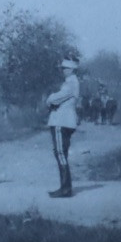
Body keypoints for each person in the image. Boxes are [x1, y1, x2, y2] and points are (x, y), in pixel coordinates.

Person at [46, 57, 81, 199]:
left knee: (60, 154)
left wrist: (49, 98)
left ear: (72, 69)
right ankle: (64, 187)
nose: (63, 70)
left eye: (65, 68)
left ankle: (66, 188)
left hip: (62, 121)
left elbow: (55, 99)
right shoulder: (70, 82)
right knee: (61, 154)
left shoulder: (71, 82)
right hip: (63, 121)